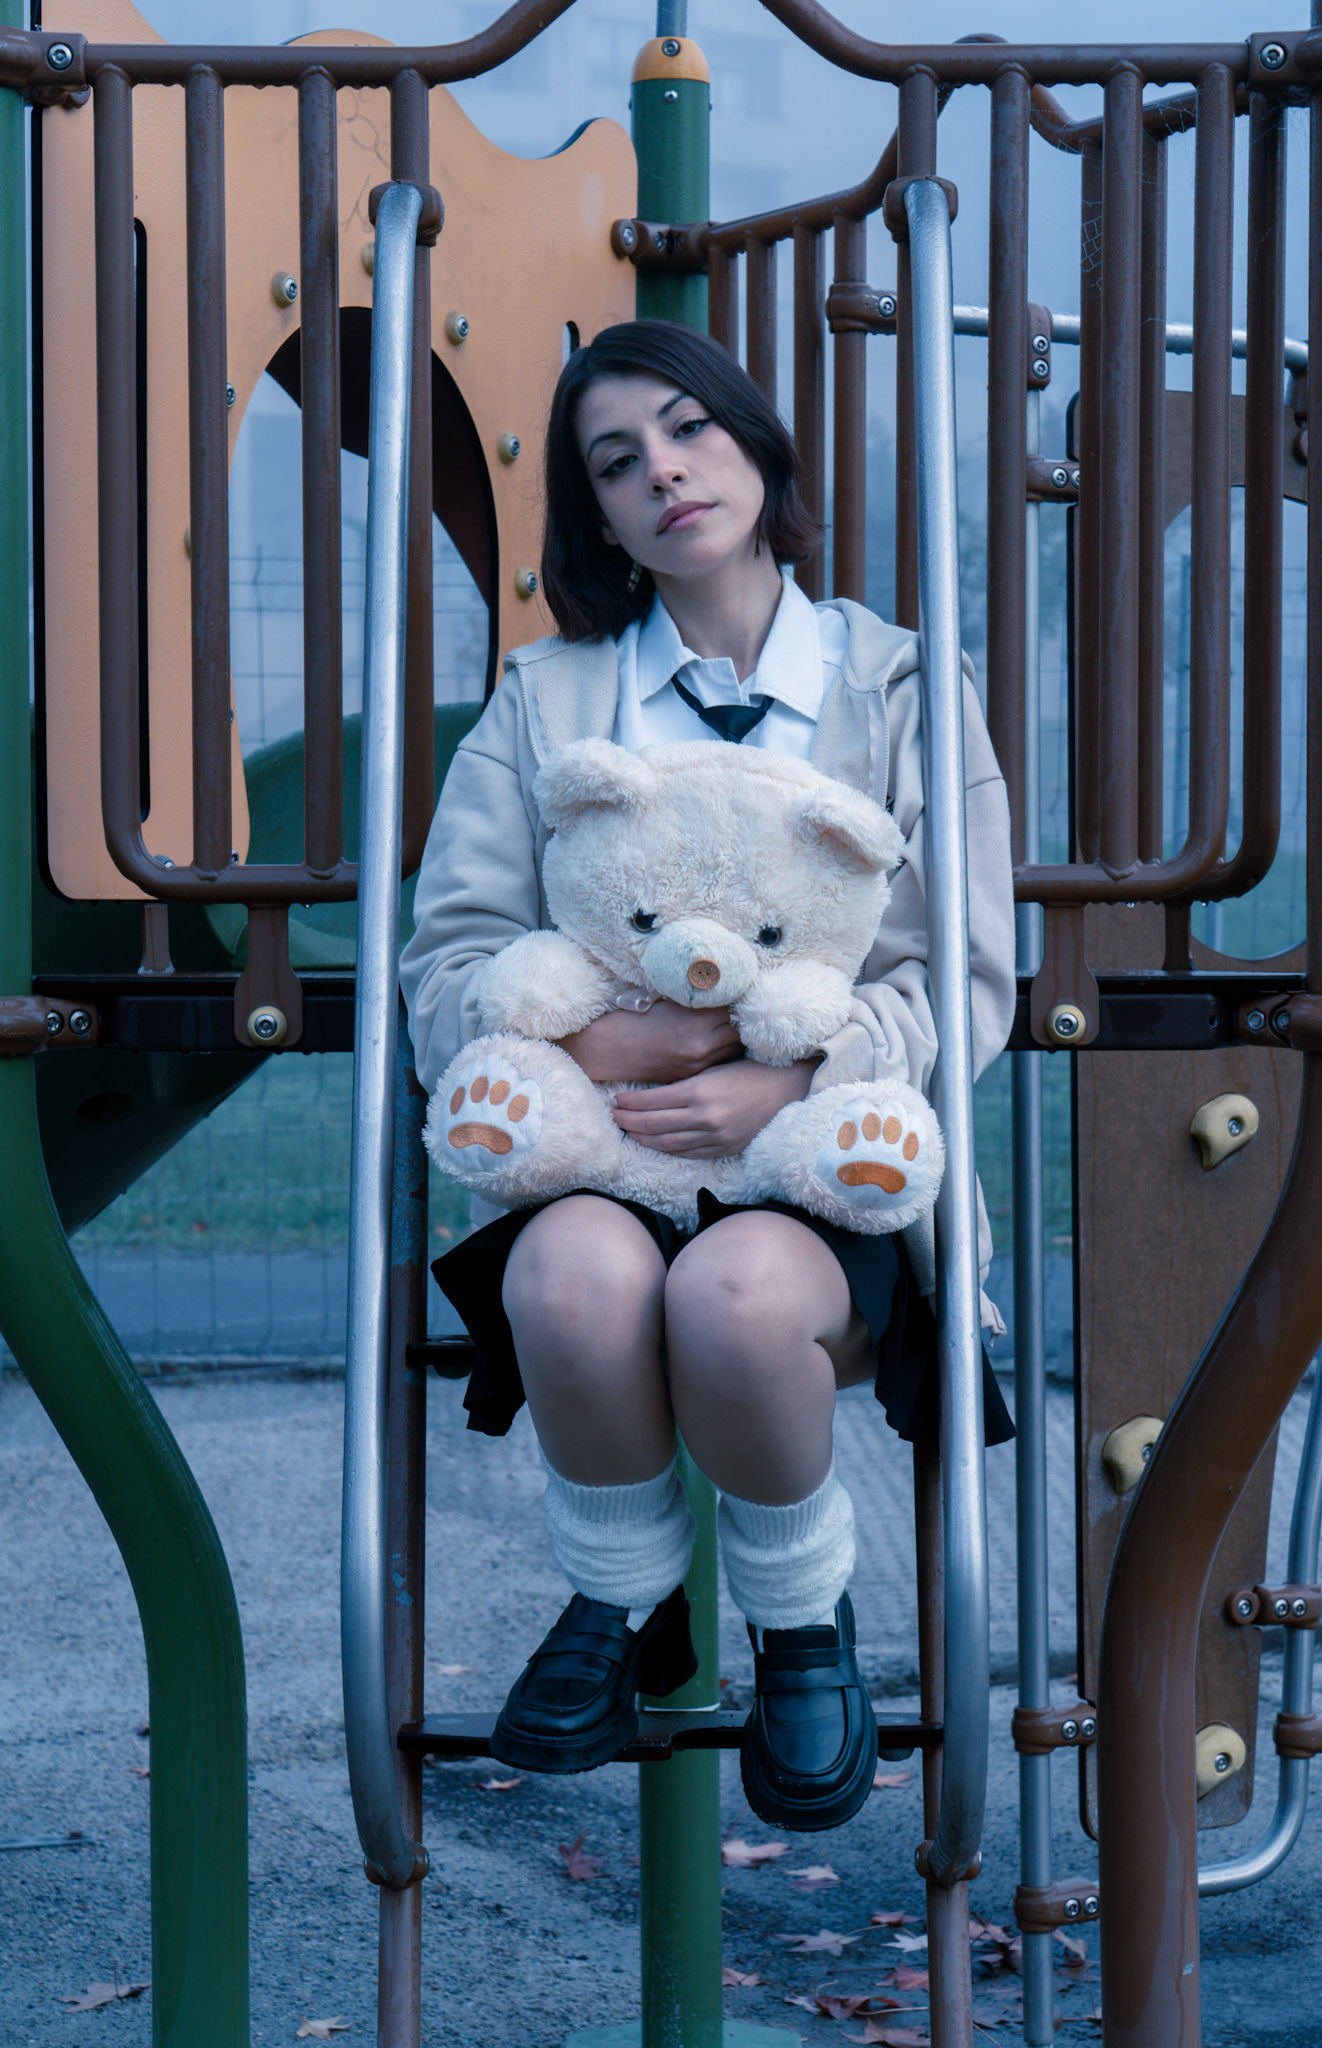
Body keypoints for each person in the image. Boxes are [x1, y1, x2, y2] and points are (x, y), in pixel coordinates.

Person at [399, 319, 1016, 1833]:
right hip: (605, 1144)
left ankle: (800, 1626)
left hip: (818, 1171)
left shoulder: (900, 684)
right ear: (598, 518)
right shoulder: (550, 703)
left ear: (755, 448)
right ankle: (622, 1599)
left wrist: (789, 1079)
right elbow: (450, 954)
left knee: (732, 1300)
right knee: (568, 1284)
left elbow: (964, 969)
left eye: (690, 431)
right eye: (619, 462)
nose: (665, 473)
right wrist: (583, 1042)